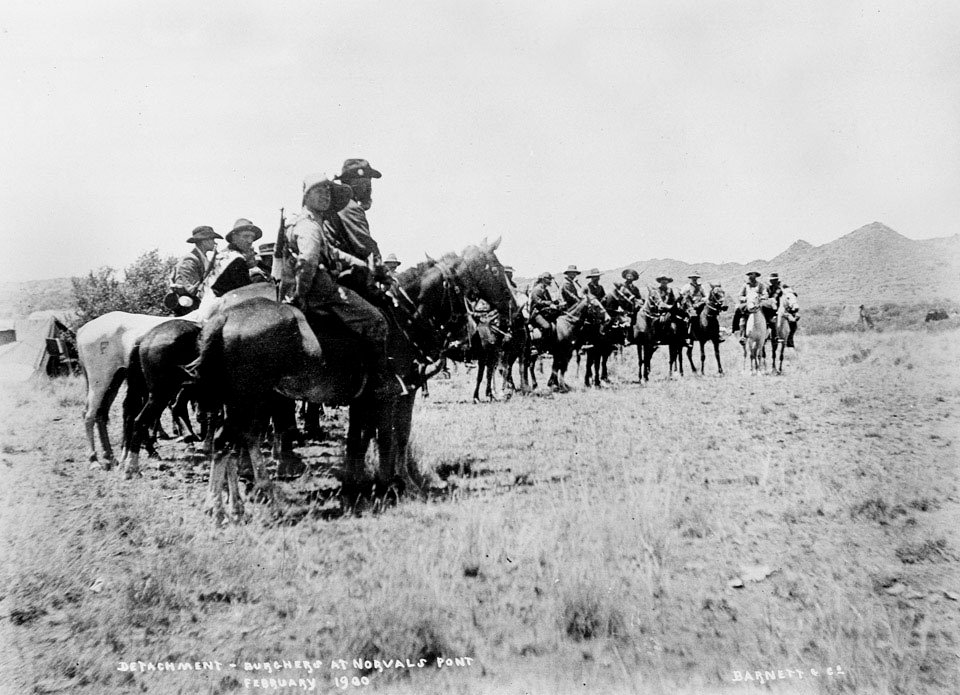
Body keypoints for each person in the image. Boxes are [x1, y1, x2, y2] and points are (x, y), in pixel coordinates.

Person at [284, 173, 403, 397]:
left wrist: (361, 264)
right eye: (319, 191)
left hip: (316, 287)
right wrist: (301, 294)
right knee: (376, 320)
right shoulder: (308, 226)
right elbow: (308, 260)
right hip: (322, 292)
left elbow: (332, 252)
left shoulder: (313, 224)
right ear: (306, 196)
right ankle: (379, 383)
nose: (326, 195)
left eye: (328, 191)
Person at [334, 158, 383, 262]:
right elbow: (367, 249)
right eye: (366, 181)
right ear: (353, 183)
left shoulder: (338, 203)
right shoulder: (350, 207)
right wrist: (385, 275)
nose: (369, 186)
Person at [167, 226, 221, 315]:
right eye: (212, 239)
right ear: (204, 241)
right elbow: (193, 290)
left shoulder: (204, 258)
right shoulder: (189, 260)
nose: (215, 243)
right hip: (188, 309)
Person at [206, 219, 263, 297]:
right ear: (234, 237)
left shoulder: (225, 255)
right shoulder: (235, 259)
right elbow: (246, 292)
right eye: (245, 236)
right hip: (220, 304)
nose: (250, 241)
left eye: (252, 237)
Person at [732, 271, 767, 344]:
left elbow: (765, 294)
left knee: (769, 311)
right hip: (748, 303)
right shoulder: (745, 285)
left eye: (753, 275)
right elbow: (740, 295)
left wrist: (760, 297)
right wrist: (745, 298)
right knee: (739, 311)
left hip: (758, 303)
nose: (751, 277)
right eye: (750, 275)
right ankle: (740, 333)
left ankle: (771, 332)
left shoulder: (760, 285)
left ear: (756, 276)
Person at [528, 272, 562, 339]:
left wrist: (556, 302)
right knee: (547, 327)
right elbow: (538, 302)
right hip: (537, 313)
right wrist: (550, 303)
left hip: (545, 313)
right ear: (543, 279)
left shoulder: (545, 290)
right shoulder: (537, 289)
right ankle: (544, 345)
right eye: (549, 279)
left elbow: (549, 301)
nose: (550, 281)